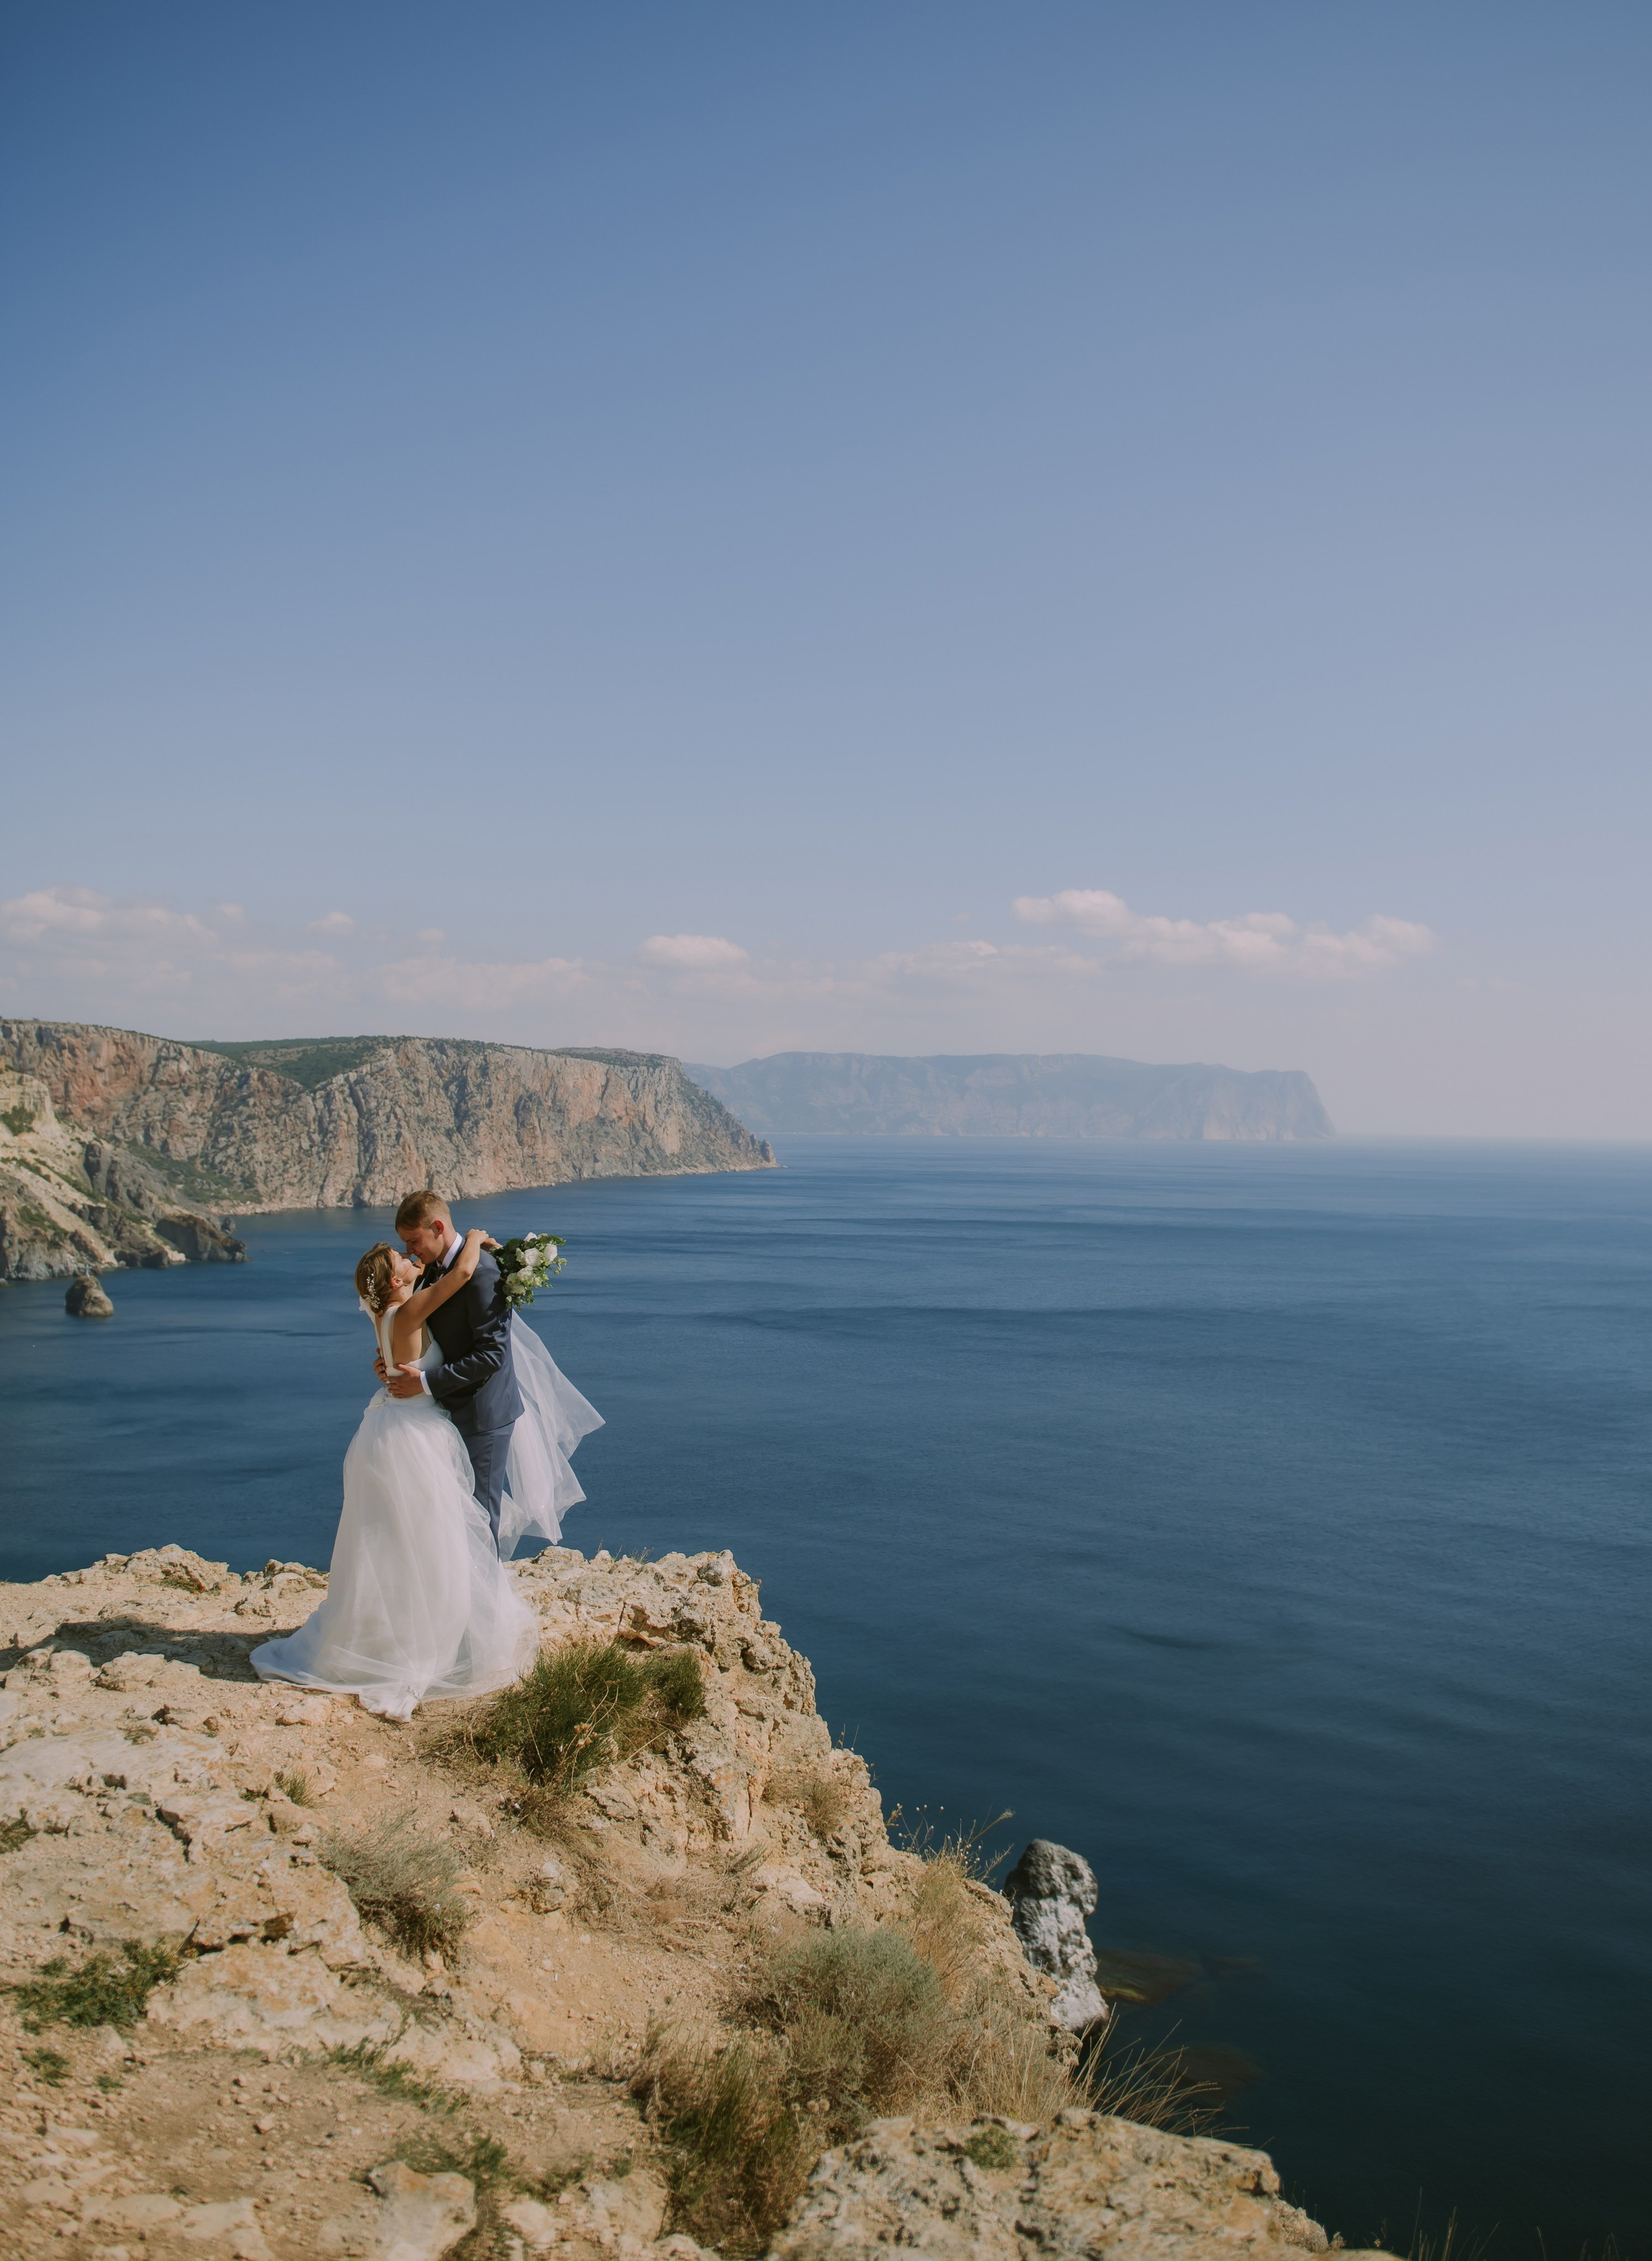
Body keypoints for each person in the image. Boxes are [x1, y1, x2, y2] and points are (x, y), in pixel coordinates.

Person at [250, 1231, 539, 1721]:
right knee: (433, 1539)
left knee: (396, 1542)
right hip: (415, 1436)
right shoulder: (406, 1312)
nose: (409, 1259)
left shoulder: (386, 1318)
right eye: (400, 1260)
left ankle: (393, 1633)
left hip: (388, 1430)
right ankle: (434, 1643)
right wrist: (476, 1237)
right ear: (392, 1281)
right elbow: (463, 1274)